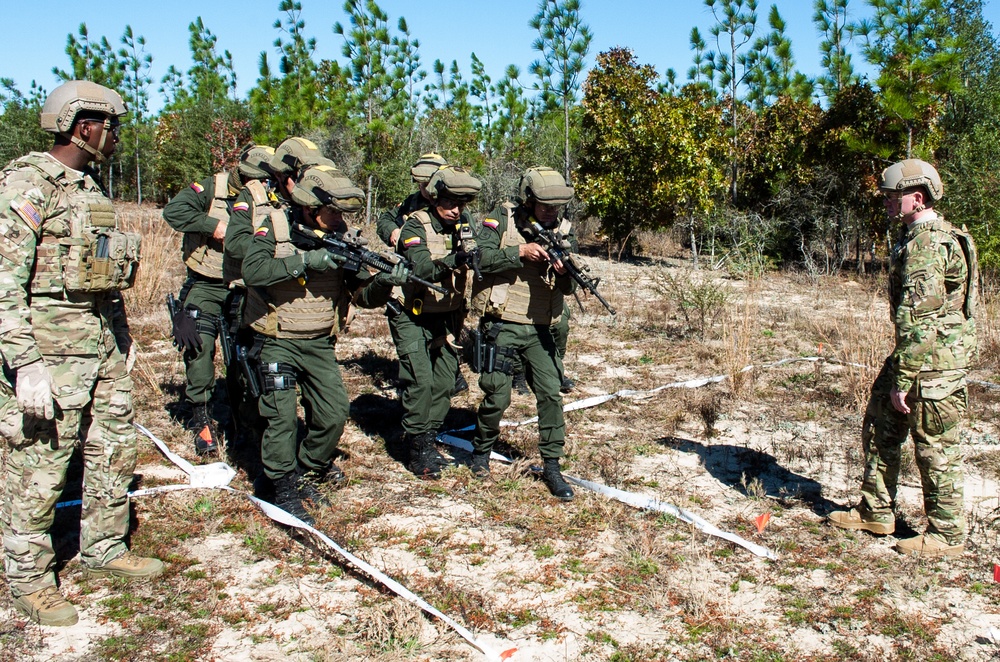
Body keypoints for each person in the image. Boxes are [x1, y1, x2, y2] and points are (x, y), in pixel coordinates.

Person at [0, 80, 163, 627]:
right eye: (110, 126)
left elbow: (103, 276)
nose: (116, 136)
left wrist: (122, 337)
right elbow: (3, 283)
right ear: (82, 126)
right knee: (40, 466)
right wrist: (23, 363)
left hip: (99, 348)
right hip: (48, 355)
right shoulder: (27, 184)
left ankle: (103, 548)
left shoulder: (89, 189)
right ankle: (28, 577)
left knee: (112, 451)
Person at [828, 158, 978, 558]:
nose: (889, 205)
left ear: (918, 196)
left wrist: (904, 378)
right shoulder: (923, 238)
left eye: (895, 198)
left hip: (932, 364)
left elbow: (920, 318)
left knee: (934, 447)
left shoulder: (927, 246)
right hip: (916, 356)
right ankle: (876, 510)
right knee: (879, 422)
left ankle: (947, 536)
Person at [241, 164, 405, 523]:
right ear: (308, 207)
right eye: (333, 211)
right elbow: (251, 271)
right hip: (276, 339)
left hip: (318, 342)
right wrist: (305, 262)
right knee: (281, 418)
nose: (340, 219)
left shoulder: (342, 236)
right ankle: (282, 486)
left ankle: (306, 467)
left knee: (333, 414)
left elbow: (363, 296)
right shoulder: (275, 226)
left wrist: (387, 281)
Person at [468, 167, 578, 501]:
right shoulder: (500, 218)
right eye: (545, 205)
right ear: (528, 199)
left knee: (550, 394)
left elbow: (570, 288)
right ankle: (481, 452)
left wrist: (563, 272)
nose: (551, 211)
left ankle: (553, 467)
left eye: (556, 206)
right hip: (502, 322)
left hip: (540, 327)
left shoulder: (563, 230)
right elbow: (480, 259)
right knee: (498, 397)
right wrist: (519, 252)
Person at [162, 144, 274, 456]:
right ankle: (201, 417)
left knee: (247, 356)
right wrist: (214, 226)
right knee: (199, 348)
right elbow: (174, 211)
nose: (257, 184)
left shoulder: (269, 197)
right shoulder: (211, 187)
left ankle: (248, 421)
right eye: (251, 177)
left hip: (245, 287)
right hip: (206, 283)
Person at [393, 166, 482, 478]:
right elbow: (421, 270)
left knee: (444, 383)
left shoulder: (463, 224)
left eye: (461, 204)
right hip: (412, 314)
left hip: (446, 315)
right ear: (434, 200)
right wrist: (455, 260)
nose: (456, 210)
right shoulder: (414, 227)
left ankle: (427, 436)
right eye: (449, 203)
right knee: (420, 383)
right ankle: (417, 448)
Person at [379, 153, 473, 396]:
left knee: (445, 340)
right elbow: (386, 220)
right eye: (419, 183)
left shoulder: (457, 211)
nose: (422, 188)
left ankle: (448, 375)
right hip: (417, 282)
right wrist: (394, 232)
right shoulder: (410, 205)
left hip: (446, 290)